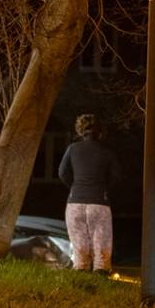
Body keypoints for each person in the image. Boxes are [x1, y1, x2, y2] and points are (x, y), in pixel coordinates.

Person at [57, 114, 121, 273]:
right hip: (99, 202)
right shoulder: (107, 152)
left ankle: (81, 270)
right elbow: (116, 177)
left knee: (79, 242)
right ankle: (101, 271)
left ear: (80, 130)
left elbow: (62, 173)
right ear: (100, 131)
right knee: (101, 241)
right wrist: (103, 189)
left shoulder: (72, 149)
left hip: (75, 202)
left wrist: (75, 186)